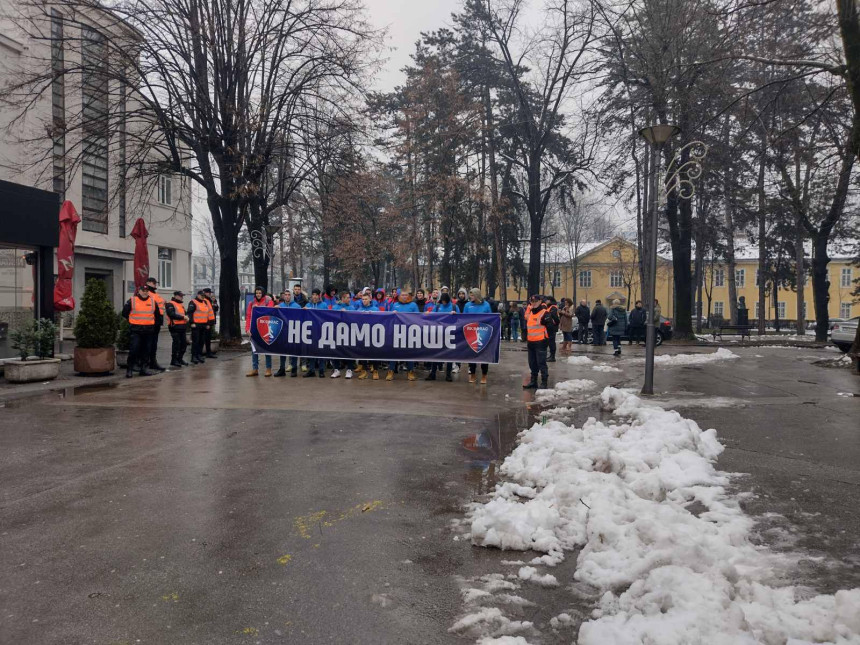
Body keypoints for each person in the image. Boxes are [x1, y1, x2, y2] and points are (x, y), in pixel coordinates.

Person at [122, 284, 162, 377]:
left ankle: (144, 369)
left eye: (146, 291)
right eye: (143, 291)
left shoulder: (153, 302)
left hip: (148, 331)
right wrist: (132, 321)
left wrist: (154, 326)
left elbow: (158, 316)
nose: (145, 292)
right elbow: (124, 313)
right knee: (134, 350)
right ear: (139, 291)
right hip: (136, 330)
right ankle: (130, 369)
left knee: (146, 351)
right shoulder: (132, 300)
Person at [387, 288, 419, 381]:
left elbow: (418, 317)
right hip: (397, 332)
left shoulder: (413, 305)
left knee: (409, 353)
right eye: (403, 295)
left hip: (409, 332)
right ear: (399, 296)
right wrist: (392, 314)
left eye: (406, 295)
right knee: (394, 352)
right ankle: (391, 371)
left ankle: (410, 371)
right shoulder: (395, 305)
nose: (405, 297)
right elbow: (389, 318)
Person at [463, 288, 492, 384]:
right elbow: (463, 319)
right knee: (472, 355)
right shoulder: (467, 305)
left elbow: (491, 318)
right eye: (470, 295)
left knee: (484, 355)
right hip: (471, 332)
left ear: (477, 295)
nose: (470, 297)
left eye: (472, 295)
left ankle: (484, 375)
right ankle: (473, 374)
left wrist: (497, 318)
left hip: (483, 332)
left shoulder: (486, 305)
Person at [245, 286, 275, 376]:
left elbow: (269, 313)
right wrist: (247, 329)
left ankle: (268, 369)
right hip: (254, 330)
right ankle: (255, 369)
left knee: (266, 349)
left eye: (260, 293)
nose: (258, 294)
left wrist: (258, 308)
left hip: (265, 329)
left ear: (263, 293)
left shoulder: (268, 302)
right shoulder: (251, 303)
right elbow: (248, 317)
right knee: (254, 350)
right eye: (257, 293)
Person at [523, 294, 551, 389]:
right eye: (532, 302)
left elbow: (550, 327)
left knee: (541, 363)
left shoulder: (544, 313)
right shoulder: (530, 313)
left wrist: (547, 340)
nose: (534, 303)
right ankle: (533, 381)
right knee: (532, 363)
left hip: (541, 342)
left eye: (536, 301)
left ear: (540, 302)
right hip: (531, 342)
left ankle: (544, 382)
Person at [426, 292, 454, 381]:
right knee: (435, 354)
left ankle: (448, 374)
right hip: (438, 333)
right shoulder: (438, 306)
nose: (444, 303)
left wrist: (455, 313)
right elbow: (432, 316)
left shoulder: (453, 306)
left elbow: (460, 318)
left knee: (449, 355)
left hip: (449, 334)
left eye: (445, 301)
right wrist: (428, 313)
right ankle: (433, 373)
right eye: (443, 301)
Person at [273, 290, 302, 377]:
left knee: (293, 351)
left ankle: (294, 369)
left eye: (289, 295)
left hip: (293, 331)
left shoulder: (297, 306)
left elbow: (301, 318)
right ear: (283, 296)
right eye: (285, 295)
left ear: (291, 296)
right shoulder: (280, 306)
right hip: (283, 332)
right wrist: (275, 309)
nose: (287, 296)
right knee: (282, 351)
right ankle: (282, 369)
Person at [353, 290, 380, 380]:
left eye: (366, 299)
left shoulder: (375, 309)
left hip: (373, 334)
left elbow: (380, 320)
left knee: (374, 353)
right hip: (362, 334)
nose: (364, 300)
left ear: (370, 299)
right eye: (363, 299)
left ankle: (375, 371)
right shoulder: (359, 310)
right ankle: (364, 371)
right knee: (363, 353)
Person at [331, 291, 356, 379]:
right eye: (346, 297)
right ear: (342, 298)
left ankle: (349, 370)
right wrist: (339, 313)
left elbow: (354, 320)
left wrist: (347, 314)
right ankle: (336, 370)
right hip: (337, 332)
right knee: (336, 351)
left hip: (349, 333)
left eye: (349, 297)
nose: (348, 299)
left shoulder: (352, 308)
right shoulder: (335, 307)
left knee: (349, 351)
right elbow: (331, 318)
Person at [145, 277, 167, 371]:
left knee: (154, 344)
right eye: (154, 283)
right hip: (150, 322)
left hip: (157, 321)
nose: (155, 285)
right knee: (148, 343)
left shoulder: (155, 294)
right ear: (148, 283)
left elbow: (160, 304)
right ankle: (146, 363)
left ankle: (153, 362)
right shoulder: (146, 292)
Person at [305, 291, 328, 377]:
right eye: (313, 295)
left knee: (321, 351)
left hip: (321, 330)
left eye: (316, 295)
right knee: (311, 351)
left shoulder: (324, 305)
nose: (314, 297)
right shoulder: (308, 305)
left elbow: (327, 316)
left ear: (319, 296)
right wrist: (303, 311)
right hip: (310, 330)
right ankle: (311, 370)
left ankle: (321, 370)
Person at [186, 290, 213, 364]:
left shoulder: (204, 302)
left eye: (204, 296)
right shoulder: (193, 302)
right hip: (196, 325)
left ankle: (199, 355)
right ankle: (194, 357)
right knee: (196, 341)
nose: (203, 297)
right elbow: (189, 313)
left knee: (201, 341)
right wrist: (192, 322)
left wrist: (208, 324)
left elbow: (206, 314)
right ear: (198, 295)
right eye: (201, 296)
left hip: (203, 325)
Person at [165, 291, 189, 367]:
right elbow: (171, 314)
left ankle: (180, 359)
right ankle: (174, 360)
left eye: (182, 296)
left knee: (184, 344)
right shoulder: (170, 304)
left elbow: (184, 314)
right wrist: (183, 317)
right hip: (174, 327)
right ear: (175, 296)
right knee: (176, 344)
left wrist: (186, 317)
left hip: (182, 327)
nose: (182, 297)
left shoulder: (181, 305)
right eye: (180, 296)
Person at [202, 287, 218, 358]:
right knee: (205, 339)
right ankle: (206, 353)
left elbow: (212, 310)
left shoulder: (208, 300)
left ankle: (209, 352)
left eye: (210, 293)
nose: (210, 294)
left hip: (210, 322)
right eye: (209, 293)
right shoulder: (205, 300)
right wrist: (207, 323)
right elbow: (205, 313)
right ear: (205, 293)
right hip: (206, 323)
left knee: (208, 338)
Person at [544, 296, 560, 362]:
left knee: (551, 342)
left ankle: (552, 357)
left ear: (550, 301)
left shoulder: (553, 307)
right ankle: (551, 356)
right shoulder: (551, 307)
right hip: (550, 326)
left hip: (551, 327)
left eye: (546, 300)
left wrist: (555, 323)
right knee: (550, 342)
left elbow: (555, 317)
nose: (545, 301)